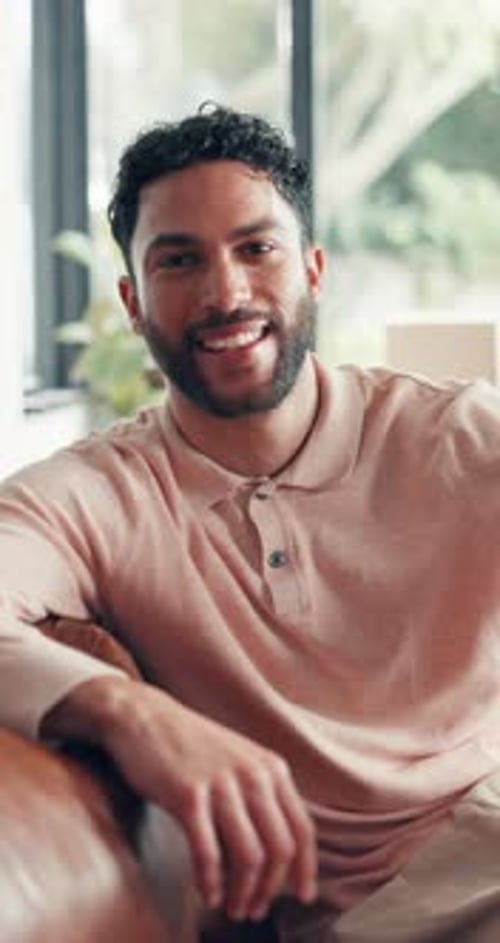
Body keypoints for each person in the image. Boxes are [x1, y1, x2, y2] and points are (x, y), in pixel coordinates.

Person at [2, 103, 500, 942]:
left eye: (256, 248)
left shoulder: (458, 437)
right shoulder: (97, 496)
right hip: (368, 917)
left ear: (312, 267)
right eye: (179, 259)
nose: (225, 292)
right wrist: (132, 712)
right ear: (132, 299)